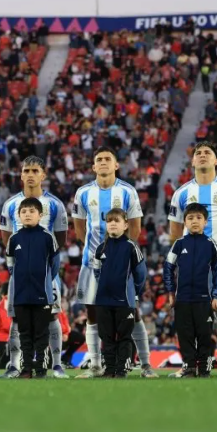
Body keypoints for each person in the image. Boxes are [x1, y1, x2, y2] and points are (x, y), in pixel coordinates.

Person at [72, 147, 155, 378]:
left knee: (132, 311)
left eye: (108, 159)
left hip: (121, 265)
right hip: (92, 262)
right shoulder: (83, 193)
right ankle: (96, 365)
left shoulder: (128, 191)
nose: (104, 162)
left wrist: (121, 255)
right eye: (99, 160)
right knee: (92, 312)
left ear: (116, 165)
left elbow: (136, 226)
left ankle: (146, 365)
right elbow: (79, 226)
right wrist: (98, 252)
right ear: (93, 166)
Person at [169, 141, 217, 377]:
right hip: (191, 267)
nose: (202, 156)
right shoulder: (181, 193)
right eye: (198, 153)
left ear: (216, 160)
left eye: (208, 153)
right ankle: (190, 365)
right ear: (192, 161)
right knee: (188, 319)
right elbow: (174, 232)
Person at [0, 156, 69, 378]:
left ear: (43, 174)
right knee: (17, 319)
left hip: (46, 275)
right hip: (20, 276)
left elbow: (60, 240)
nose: (30, 174)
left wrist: (47, 270)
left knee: (53, 317)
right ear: (21, 174)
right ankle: (14, 364)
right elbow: (7, 239)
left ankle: (56, 364)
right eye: (26, 170)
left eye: (34, 170)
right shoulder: (10, 204)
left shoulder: (55, 205)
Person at [164, 203, 217, 378]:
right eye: (190, 218)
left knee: (204, 335)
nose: (194, 221)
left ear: (206, 222)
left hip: (204, 299)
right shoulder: (179, 244)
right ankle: (189, 367)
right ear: (184, 222)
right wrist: (170, 292)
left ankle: (204, 368)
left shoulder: (211, 244)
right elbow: (168, 267)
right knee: (185, 335)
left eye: (199, 218)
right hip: (182, 299)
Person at [6, 198, 61, 379]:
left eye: (31, 211)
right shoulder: (14, 239)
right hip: (21, 294)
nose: (27, 214)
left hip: (42, 294)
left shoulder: (47, 237)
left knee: (41, 334)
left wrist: (44, 280)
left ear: (40, 214)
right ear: (19, 216)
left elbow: (54, 264)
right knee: (25, 333)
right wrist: (20, 277)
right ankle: (26, 368)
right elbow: (11, 263)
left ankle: (41, 368)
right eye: (24, 211)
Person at [92, 208, 148, 379]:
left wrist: (134, 292)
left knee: (124, 336)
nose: (113, 224)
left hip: (124, 300)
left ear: (125, 225)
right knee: (106, 337)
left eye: (116, 221)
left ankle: (121, 370)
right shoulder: (100, 248)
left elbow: (141, 274)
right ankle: (109, 370)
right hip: (103, 300)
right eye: (109, 221)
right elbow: (96, 272)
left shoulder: (131, 247)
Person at [0, 284, 11, 369]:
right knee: (4, 365)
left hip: (6, 339)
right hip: (5, 339)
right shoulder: (6, 302)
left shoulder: (8, 302)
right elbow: (7, 325)